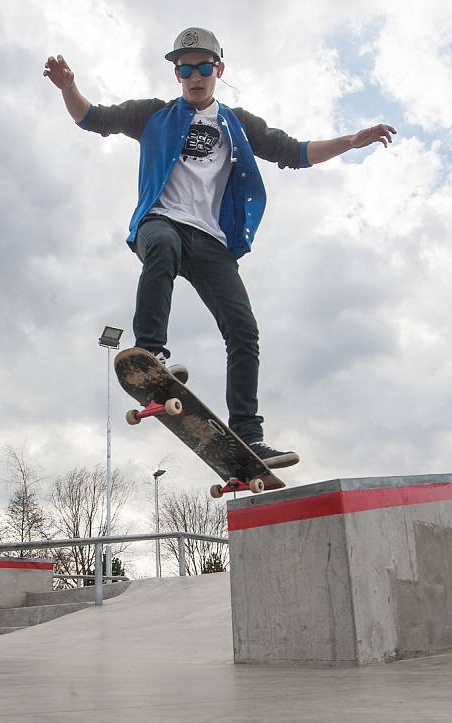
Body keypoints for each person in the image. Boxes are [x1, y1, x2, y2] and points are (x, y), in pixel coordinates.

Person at [44, 27, 396, 468]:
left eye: (203, 67)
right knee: (161, 250)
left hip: (212, 240)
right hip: (162, 220)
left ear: (218, 70)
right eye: (185, 68)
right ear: (176, 74)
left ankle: (249, 436)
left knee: (244, 331)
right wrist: (69, 88)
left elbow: (295, 152)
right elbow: (92, 118)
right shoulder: (152, 115)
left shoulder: (239, 125)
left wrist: (351, 141)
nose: (195, 75)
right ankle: (150, 353)